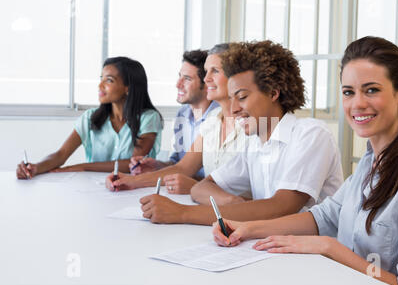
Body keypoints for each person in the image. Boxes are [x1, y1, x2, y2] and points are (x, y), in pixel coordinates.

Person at [213, 36, 398, 285]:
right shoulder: (374, 160)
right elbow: (325, 216)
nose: (357, 103)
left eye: (372, 90)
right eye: (349, 92)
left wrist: (330, 247)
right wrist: (247, 228)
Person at [136, 40, 343, 224]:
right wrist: (233, 202)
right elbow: (201, 188)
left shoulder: (311, 134)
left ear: (273, 92)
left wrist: (182, 213)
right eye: (232, 98)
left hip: (316, 258)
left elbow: (281, 207)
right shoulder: (255, 143)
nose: (234, 109)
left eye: (242, 97)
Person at [106, 44, 247, 195]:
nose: (206, 79)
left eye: (215, 71)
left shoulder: (253, 124)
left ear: (236, 77)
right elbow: (183, 167)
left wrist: (194, 187)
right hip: (206, 204)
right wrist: (130, 180)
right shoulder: (213, 119)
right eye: (206, 72)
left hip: (232, 212)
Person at [16, 56, 163, 179]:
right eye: (101, 79)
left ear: (128, 88)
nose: (100, 85)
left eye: (109, 80)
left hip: (134, 189)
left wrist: (83, 167)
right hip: (92, 188)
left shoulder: (149, 118)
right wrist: (35, 167)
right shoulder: (89, 118)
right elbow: (61, 154)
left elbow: (132, 164)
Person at [129, 50, 220, 179]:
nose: (178, 84)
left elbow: (220, 178)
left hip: (205, 193)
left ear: (206, 84)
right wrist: (157, 165)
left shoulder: (220, 117)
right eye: (179, 76)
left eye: (187, 79)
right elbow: (177, 162)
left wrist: (132, 181)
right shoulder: (182, 114)